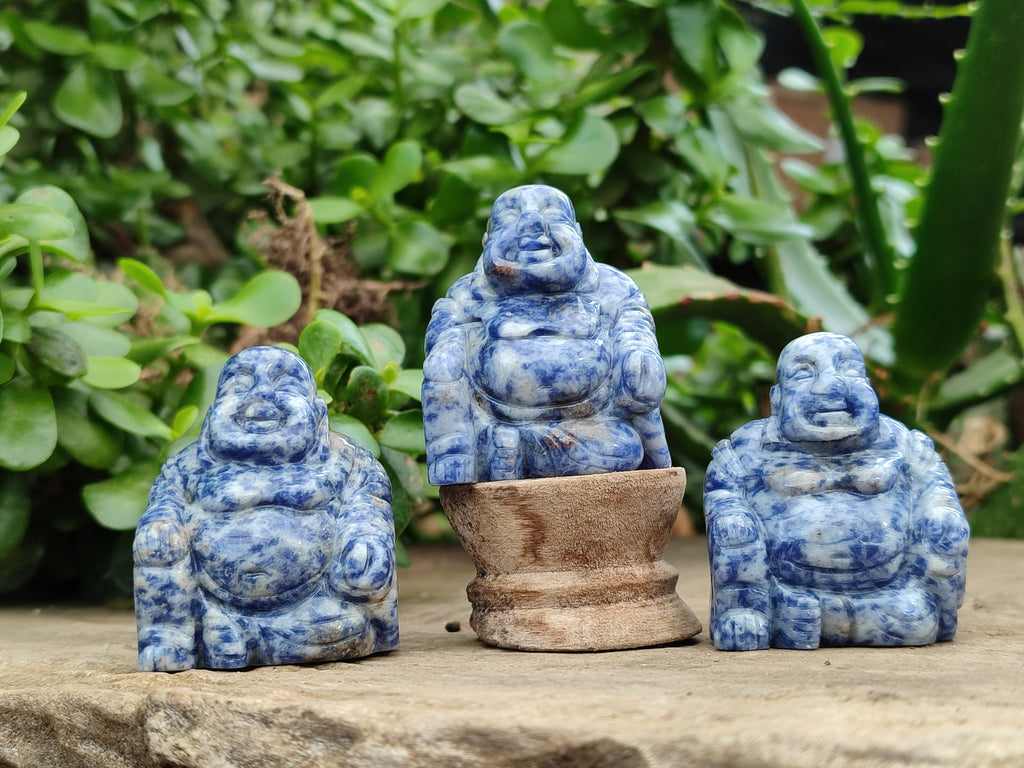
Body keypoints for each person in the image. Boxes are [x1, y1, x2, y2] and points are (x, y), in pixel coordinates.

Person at [133, 346, 398, 670]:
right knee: (157, 542)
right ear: (213, 411)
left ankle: (247, 638)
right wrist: (160, 522)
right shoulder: (188, 466)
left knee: (344, 624)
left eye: (285, 386)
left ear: (317, 413)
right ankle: (172, 637)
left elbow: (368, 497)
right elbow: (165, 500)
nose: (259, 395)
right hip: (213, 601)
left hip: (315, 604)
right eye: (239, 386)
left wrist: (365, 535)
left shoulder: (345, 460)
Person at [704, 332, 968, 650]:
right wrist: (732, 515)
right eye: (804, 372)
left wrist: (942, 516)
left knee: (919, 603)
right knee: (732, 528)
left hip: (894, 599)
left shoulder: (905, 445)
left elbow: (934, 487)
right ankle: (748, 612)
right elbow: (724, 485)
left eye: (849, 370)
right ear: (777, 400)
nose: (830, 385)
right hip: (784, 595)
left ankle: (847, 619)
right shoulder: (748, 448)